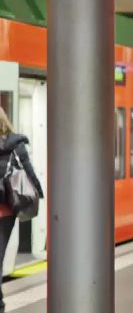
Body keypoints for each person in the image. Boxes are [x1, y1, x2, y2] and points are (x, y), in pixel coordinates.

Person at [0, 107, 42, 313]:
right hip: (6, 212)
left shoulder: (15, 146)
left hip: (4, 213)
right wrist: (38, 194)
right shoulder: (17, 146)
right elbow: (29, 173)